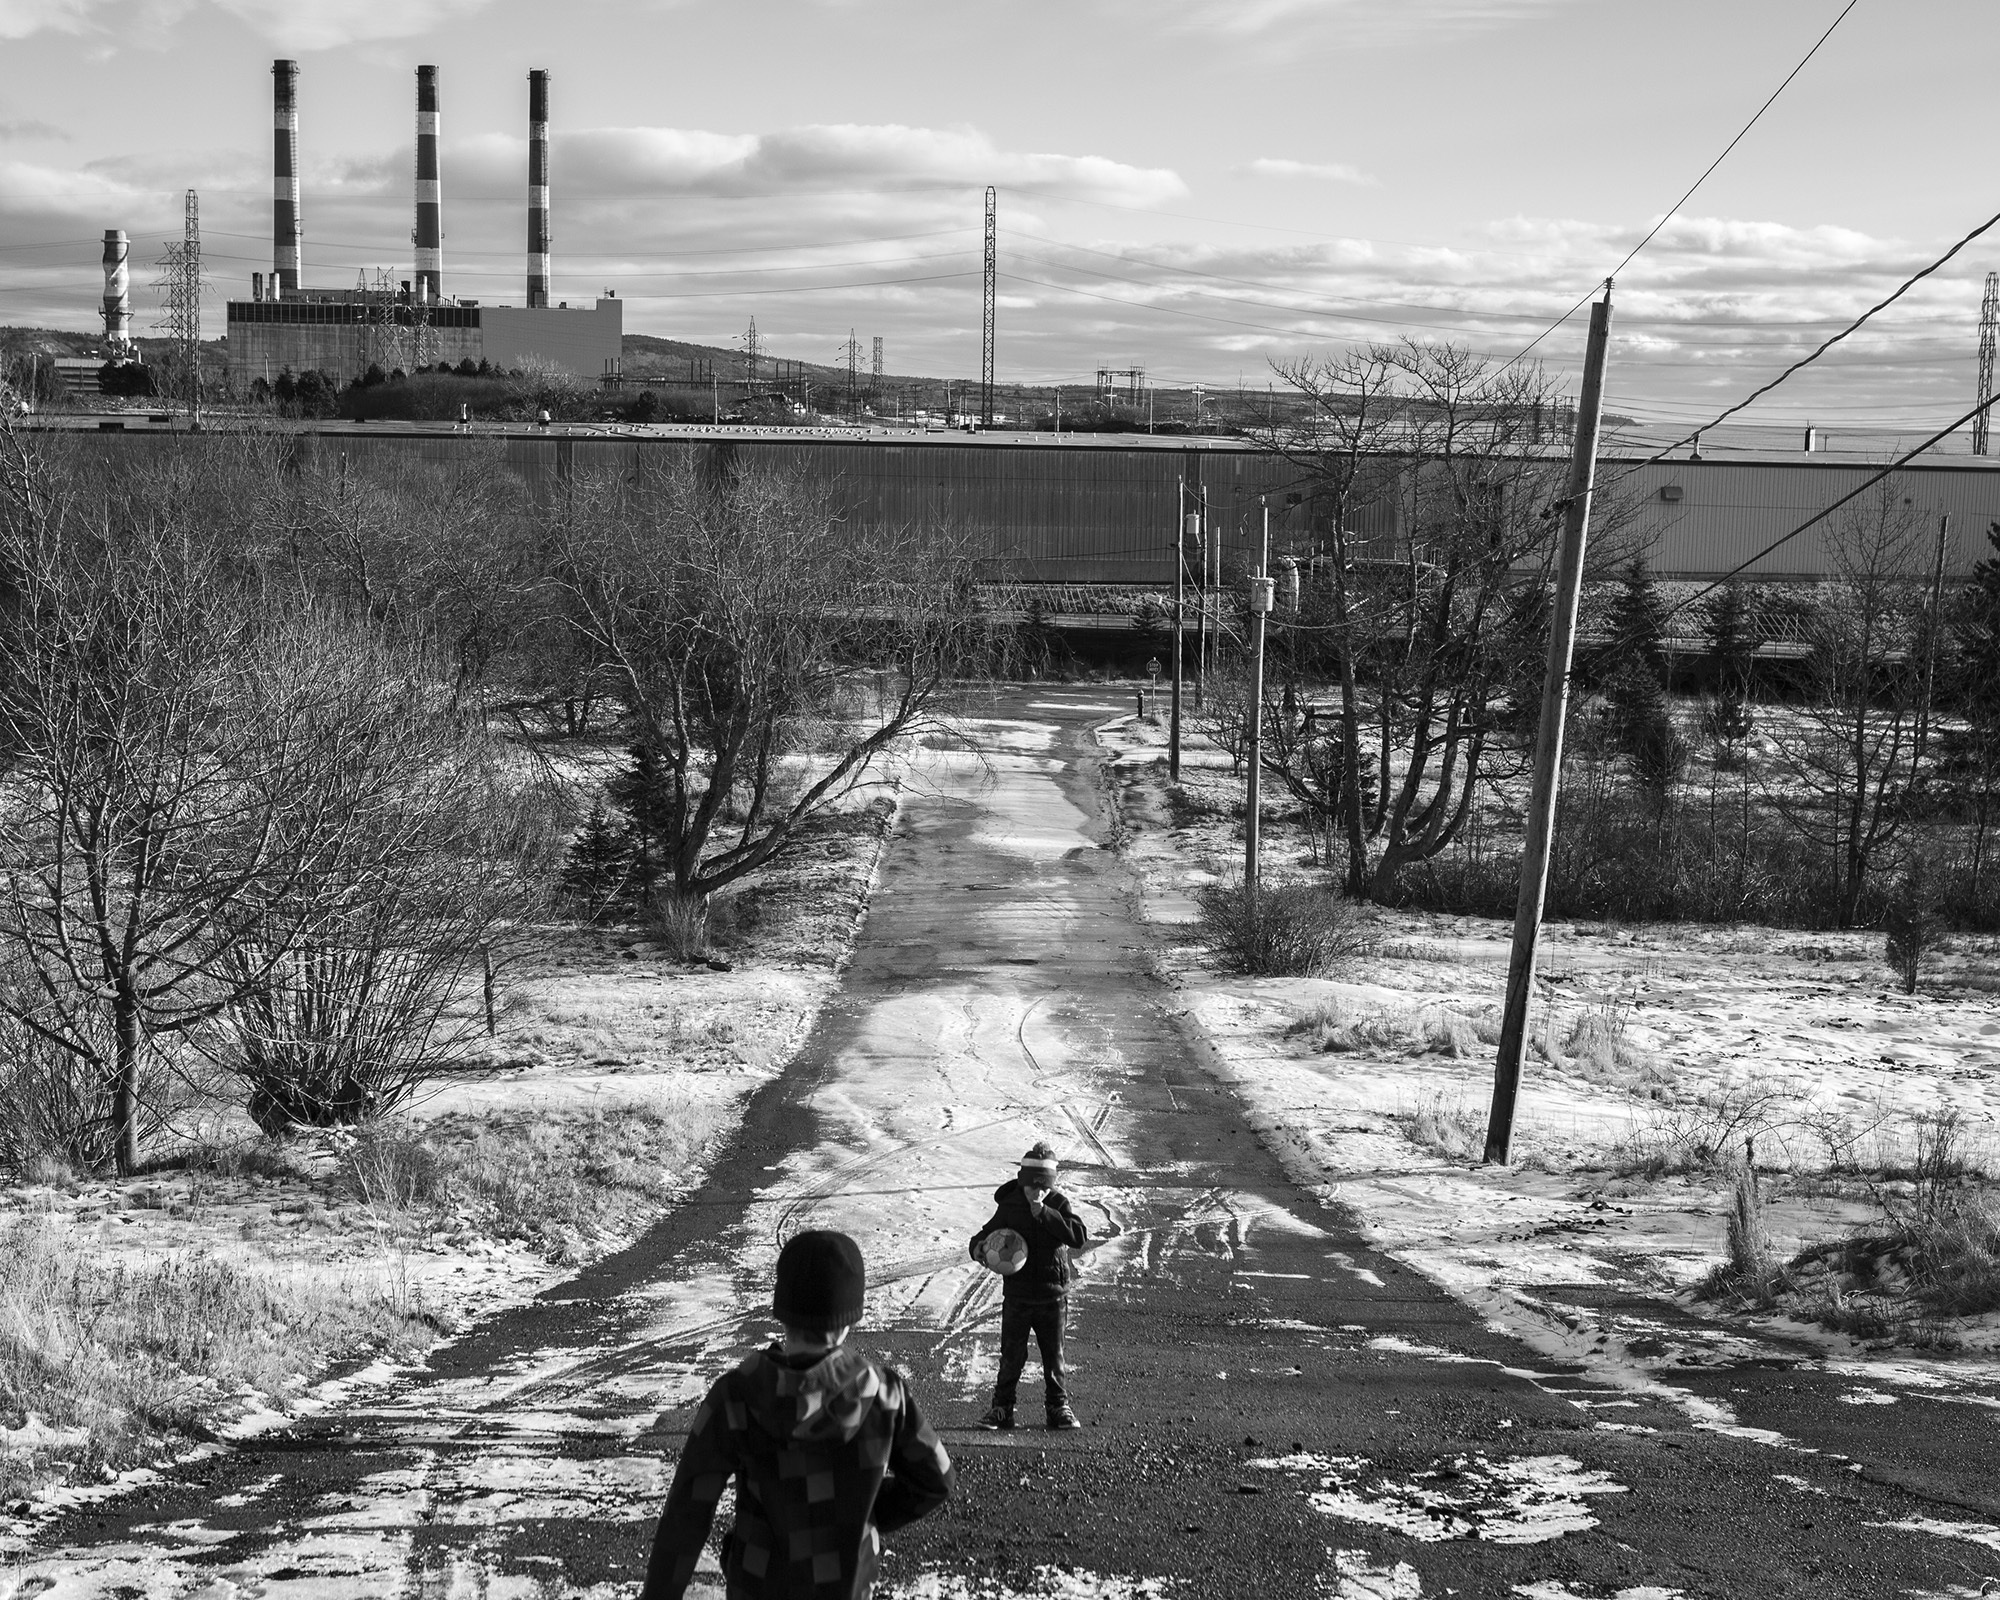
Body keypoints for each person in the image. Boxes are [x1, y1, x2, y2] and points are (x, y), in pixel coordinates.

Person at [640, 1230, 954, 1600]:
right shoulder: (884, 1394)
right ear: (849, 1316)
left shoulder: (736, 1395)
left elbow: (687, 1513)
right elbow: (937, 1479)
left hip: (759, 1585)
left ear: (782, 1309)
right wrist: (859, 1515)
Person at [969, 1141, 1089, 1431]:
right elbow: (980, 1237)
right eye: (1032, 1187)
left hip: (1052, 1296)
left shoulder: (1058, 1204)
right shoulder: (1010, 1207)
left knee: (1053, 1357)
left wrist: (1045, 1213)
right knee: (1011, 1356)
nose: (1038, 1193)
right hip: (1019, 1297)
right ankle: (1002, 1408)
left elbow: (1078, 1236)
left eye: (1043, 1188)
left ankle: (1058, 1407)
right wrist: (980, 1248)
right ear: (1022, 1184)